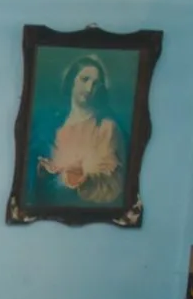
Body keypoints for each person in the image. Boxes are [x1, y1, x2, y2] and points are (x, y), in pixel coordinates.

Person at [30, 54, 127, 207]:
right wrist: (47, 172)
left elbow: (115, 184)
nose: (89, 88)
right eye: (84, 80)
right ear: (71, 81)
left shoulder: (106, 128)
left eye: (96, 84)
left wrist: (84, 180)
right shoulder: (54, 126)